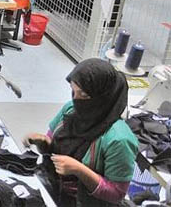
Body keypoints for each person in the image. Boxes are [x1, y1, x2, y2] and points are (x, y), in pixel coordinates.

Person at [23, 59, 138, 207]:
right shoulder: (70, 110)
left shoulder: (119, 139)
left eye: (83, 94)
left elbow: (116, 194)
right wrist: (43, 142)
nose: (76, 100)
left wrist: (79, 170)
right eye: (73, 91)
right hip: (53, 190)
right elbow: (52, 148)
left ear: (102, 96)